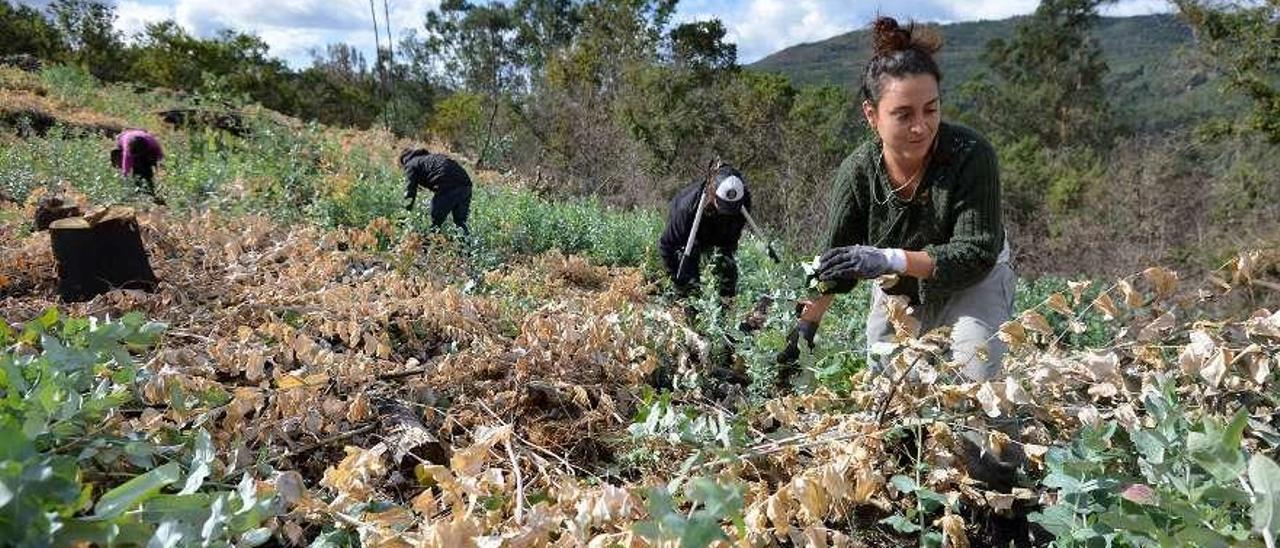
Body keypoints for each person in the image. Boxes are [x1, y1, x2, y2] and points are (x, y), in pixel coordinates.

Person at [777, 17, 1015, 384]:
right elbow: (832, 261)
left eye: (931, 110)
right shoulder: (858, 173)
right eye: (903, 115)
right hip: (898, 284)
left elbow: (975, 254)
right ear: (871, 115)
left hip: (974, 282)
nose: (920, 126)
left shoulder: (971, 154)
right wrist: (804, 328)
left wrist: (889, 258)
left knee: (975, 378)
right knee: (891, 383)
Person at [657, 163, 752, 307]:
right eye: (724, 206)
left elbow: (732, 239)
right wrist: (676, 278)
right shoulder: (686, 209)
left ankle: (724, 309)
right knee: (689, 275)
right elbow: (666, 246)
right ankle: (692, 305)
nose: (726, 211)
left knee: (726, 268)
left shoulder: (743, 203)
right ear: (713, 194)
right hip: (694, 231)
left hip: (722, 231)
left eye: (731, 208)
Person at [400, 148, 473, 234]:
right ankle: (465, 245)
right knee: (460, 223)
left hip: (448, 184)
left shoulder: (411, 164)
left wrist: (404, 216)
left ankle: (430, 245)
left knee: (433, 222)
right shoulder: (427, 159)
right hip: (466, 184)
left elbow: (409, 192)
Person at [112, 129, 164, 201]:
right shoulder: (127, 146)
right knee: (137, 168)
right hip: (127, 142)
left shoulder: (152, 142)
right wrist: (125, 175)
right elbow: (126, 161)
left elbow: (159, 153)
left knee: (146, 168)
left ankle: (149, 188)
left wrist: (160, 163)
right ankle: (138, 189)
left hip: (145, 147)